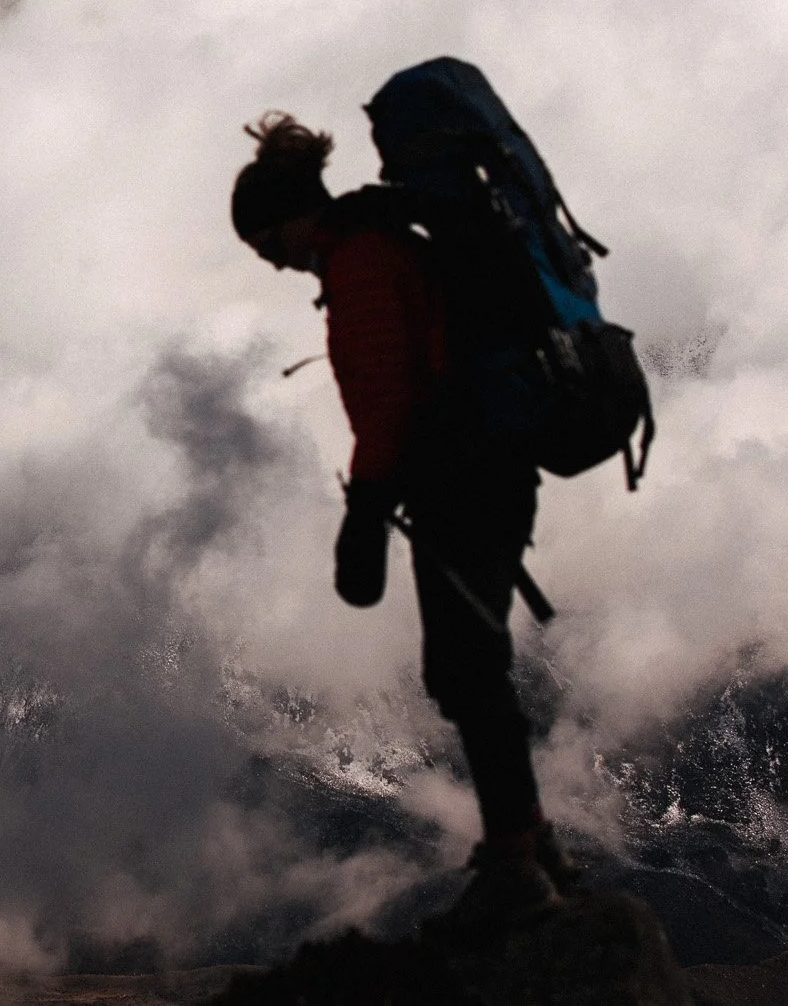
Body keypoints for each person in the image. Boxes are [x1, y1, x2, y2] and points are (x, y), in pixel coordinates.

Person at [231, 111, 574, 933]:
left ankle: (517, 863)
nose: (275, 264)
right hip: (481, 476)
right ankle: (530, 844)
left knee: (465, 668)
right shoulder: (385, 244)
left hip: (463, 483)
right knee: (472, 663)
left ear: (289, 219)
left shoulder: (361, 265)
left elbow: (386, 404)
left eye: (267, 244)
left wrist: (365, 514)